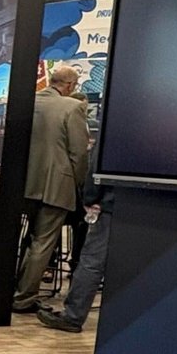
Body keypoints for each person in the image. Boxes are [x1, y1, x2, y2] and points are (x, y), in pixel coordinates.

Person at [12, 65, 89, 312]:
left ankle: (13, 289)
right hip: (56, 186)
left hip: (25, 184)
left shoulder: (28, 103)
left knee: (27, 239)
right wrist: (78, 185)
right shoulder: (73, 108)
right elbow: (79, 154)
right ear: (70, 86)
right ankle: (24, 298)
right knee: (43, 242)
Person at [39, 142, 111, 333]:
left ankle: (73, 316)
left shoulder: (112, 132)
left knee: (91, 262)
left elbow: (96, 165)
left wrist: (89, 198)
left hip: (109, 204)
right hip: (142, 205)